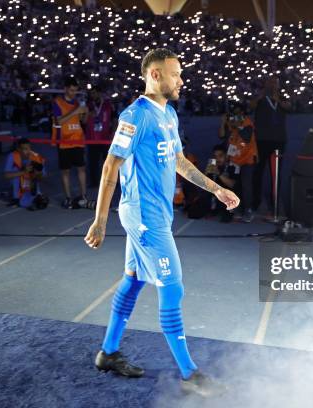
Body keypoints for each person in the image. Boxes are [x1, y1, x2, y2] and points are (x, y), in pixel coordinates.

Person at [84, 48, 239, 397]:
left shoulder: (167, 114)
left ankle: (107, 353)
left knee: (134, 281)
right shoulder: (134, 116)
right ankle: (190, 374)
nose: (181, 80)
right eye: (175, 74)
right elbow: (111, 166)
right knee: (173, 287)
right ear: (155, 75)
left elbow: (180, 162)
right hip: (143, 217)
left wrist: (216, 189)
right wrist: (100, 220)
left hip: (156, 215)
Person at [249, 76, 291, 214]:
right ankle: (255, 202)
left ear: (279, 84)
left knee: (276, 173)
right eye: (270, 82)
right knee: (258, 172)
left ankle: (275, 203)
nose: (272, 84)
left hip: (278, 141)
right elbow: (251, 106)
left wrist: (277, 98)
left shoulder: (283, 96)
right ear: (265, 84)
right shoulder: (260, 98)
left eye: (275, 82)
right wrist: (261, 95)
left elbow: (289, 107)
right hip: (261, 140)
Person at [51, 76, 89, 209]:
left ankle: (83, 196)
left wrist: (85, 113)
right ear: (65, 89)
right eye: (71, 90)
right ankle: (68, 197)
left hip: (78, 139)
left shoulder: (78, 104)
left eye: (75, 91)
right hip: (64, 141)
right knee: (65, 171)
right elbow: (58, 122)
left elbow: (83, 122)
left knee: (81, 169)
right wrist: (76, 111)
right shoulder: (57, 102)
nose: (73, 93)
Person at [221, 102, 258, 222]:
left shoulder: (247, 122)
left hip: (247, 159)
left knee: (246, 185)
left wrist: (237, 125)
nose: (235, 115)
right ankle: (238, 208)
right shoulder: (230, 122)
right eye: (233, 113)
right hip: (234, 159)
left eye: (237, 112)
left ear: (242, 113)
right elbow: (222, 136)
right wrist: (223, 123)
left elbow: (246, 138)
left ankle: (248, 210)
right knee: (236, 185)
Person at [4, 138, 48, 210]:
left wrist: (38, 173)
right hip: (18, 182)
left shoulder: (37, 157)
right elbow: (6, 176)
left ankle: (36, 197)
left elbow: (42, 178)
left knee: (26, 201)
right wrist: (24, 171)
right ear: (18, 149)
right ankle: (16, 198)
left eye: (29, 148)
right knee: (15, 169)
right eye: (25, 149)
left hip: (31, 184)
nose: (28, 151)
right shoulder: (12, 156)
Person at [85, 86, 114, 188]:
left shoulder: (108, 105)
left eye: (94, 93)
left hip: (105, 138)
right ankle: (94, 182)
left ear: (99, 93)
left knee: (109, 162)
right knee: (92, 162)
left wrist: (113, 133)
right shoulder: (88, 105)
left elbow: (114, 119)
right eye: (91, 93)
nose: (92, 95)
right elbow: (83, 121)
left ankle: (111, 181)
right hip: (92, 138)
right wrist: (88, 114)